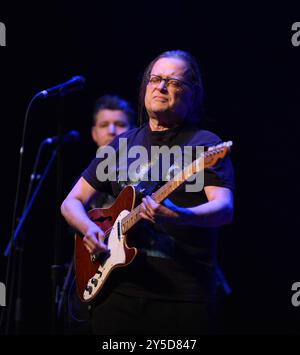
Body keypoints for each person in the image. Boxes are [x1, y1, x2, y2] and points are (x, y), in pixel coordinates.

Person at [61, 50, 235, 335]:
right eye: (155, 79)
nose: (160, 86)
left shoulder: (206, 145)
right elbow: (72, 202)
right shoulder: (121, 144)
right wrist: (88, 229)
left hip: (182, 296)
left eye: (172, 81)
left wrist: (179, 215)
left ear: (192, 94)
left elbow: (224, 209)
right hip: (117, 294)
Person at [63, 95, 135, 333]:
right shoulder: (84, 184)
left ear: (132, 132)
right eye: (104, 125)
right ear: (94, 133)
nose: (112, 131)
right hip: (91, 284)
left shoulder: (140, 176)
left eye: (121, 125)